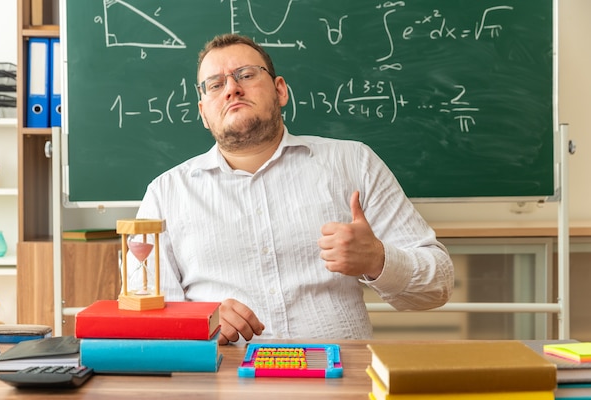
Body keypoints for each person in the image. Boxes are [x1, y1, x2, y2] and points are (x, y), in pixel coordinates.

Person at [133, 33, 454, 345]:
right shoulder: (164, 196)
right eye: (215, 84)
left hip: (341, 384)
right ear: (203, 113)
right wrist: (200, 320)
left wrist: (377, 259)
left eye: (245, 74)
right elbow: (143, 316)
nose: (232, 88)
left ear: (280, 90)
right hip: (224, 386)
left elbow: (438, 285)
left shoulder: (354, 162)